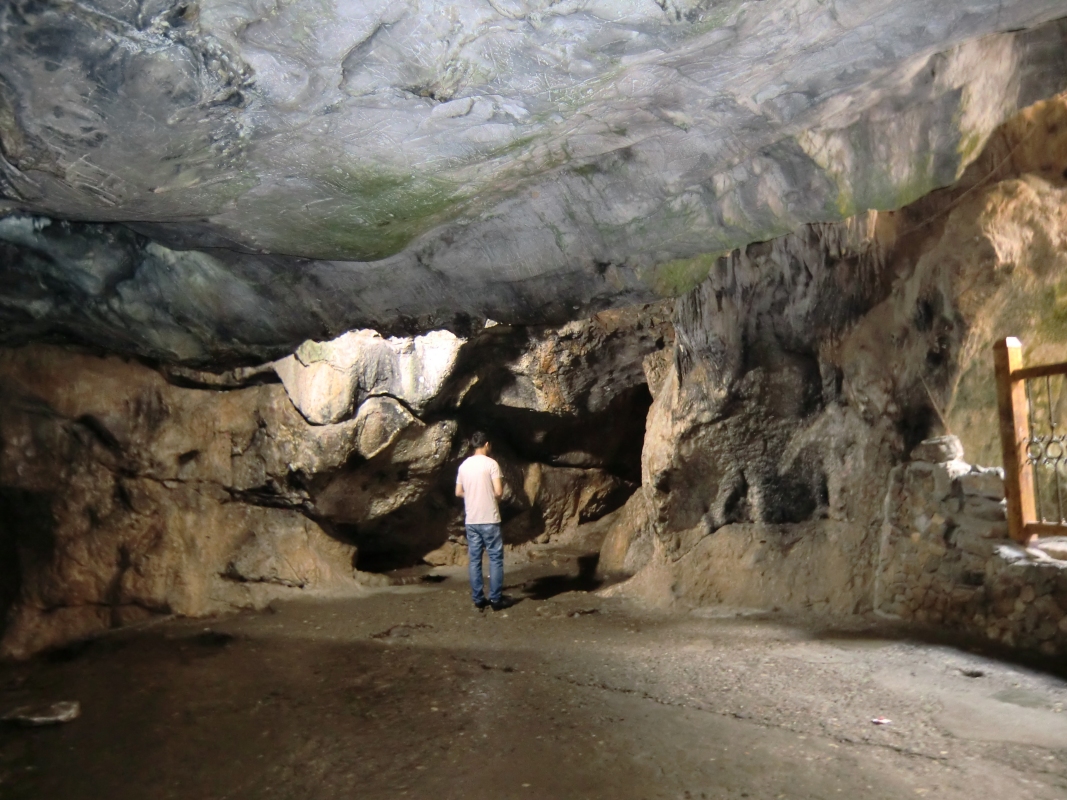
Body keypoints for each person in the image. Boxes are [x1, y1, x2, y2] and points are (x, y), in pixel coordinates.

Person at [455, 431, 507, 611]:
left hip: (472, 519)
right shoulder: (492, 464)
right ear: (486, 444)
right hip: (490, 518)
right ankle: (495, 599)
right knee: (495, 558)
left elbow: (458, 492)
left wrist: (473, 494)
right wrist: (488, 495)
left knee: (475, 560)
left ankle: (478, 598)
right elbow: (499, 492)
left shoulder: (463, 466)